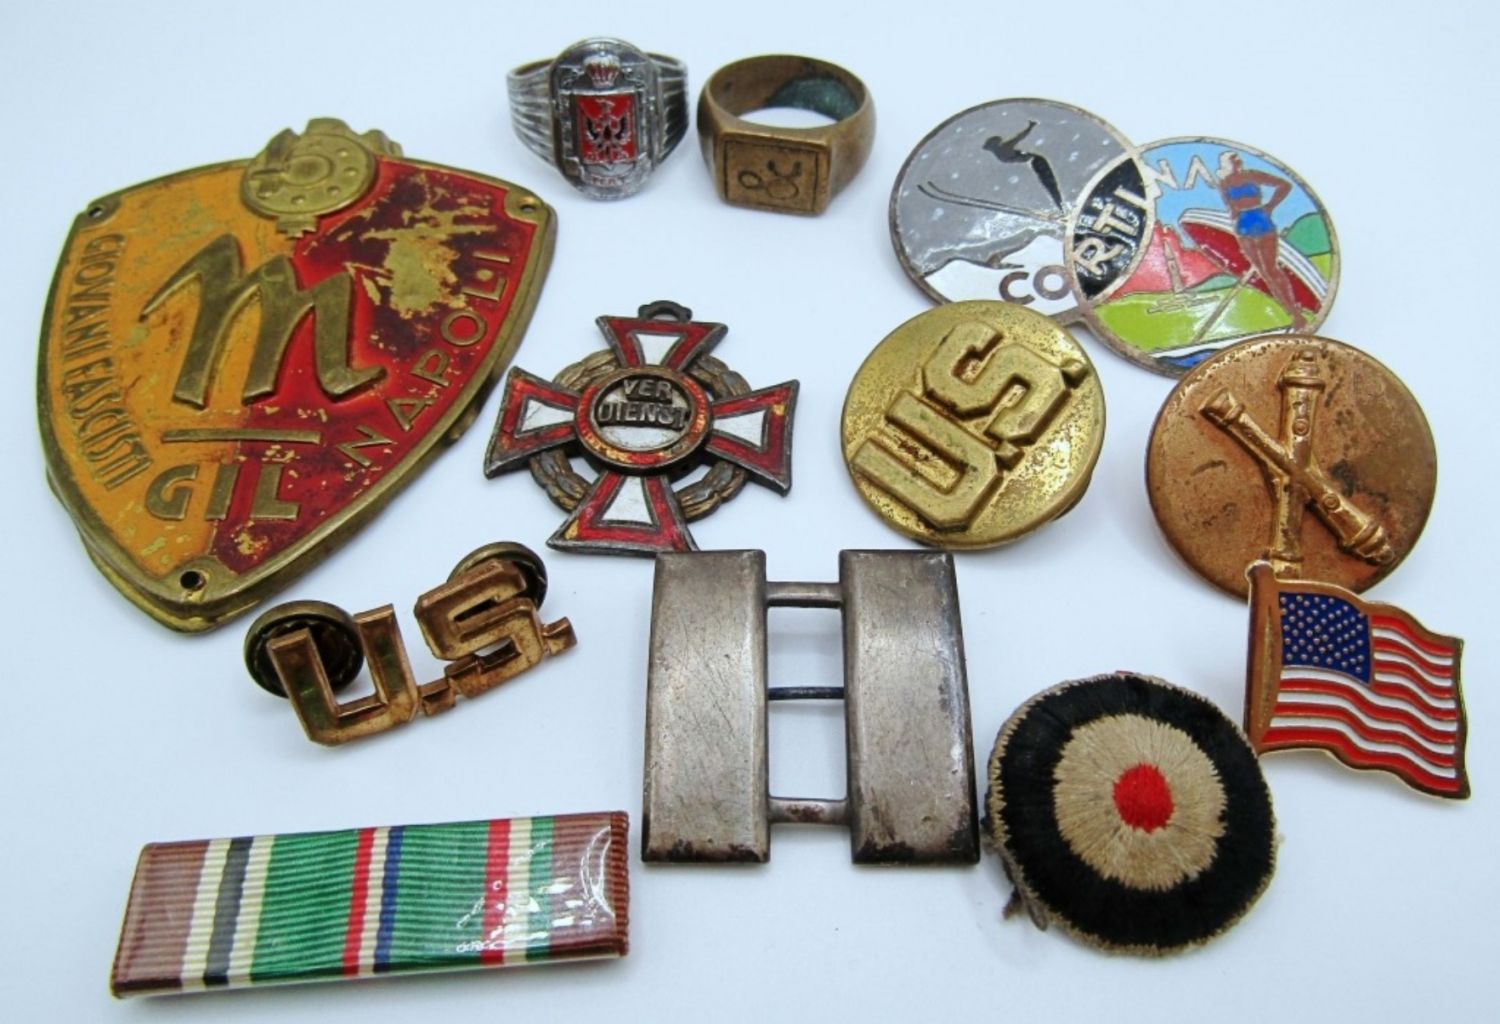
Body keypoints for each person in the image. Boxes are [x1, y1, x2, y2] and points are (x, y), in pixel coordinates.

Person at [1216, 151, 1307, 328]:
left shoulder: (1253, 175)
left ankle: (1296, 312)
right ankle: (1291, 313)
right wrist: (1234, 215)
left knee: (1271, 269)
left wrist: (1271, 206)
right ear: (1226, 163)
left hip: (1261, 220)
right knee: (1264, 273)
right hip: (1243, 225)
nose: (1237, 163)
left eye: (1237, 160)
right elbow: (1230, 206)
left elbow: (1285, 185)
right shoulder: (1225, 183)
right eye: (1232, 160)